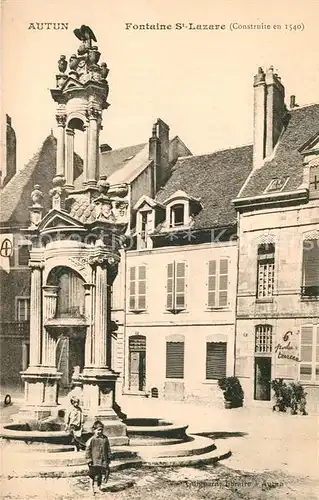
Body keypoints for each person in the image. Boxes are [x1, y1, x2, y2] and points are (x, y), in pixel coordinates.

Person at [85, 420, 111, 494]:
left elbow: (108, 449)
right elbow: (87, 451)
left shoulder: (105, 438)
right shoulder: (92, 439)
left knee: (100, 475)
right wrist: (89, 460)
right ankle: (91, 488)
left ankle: (99, 488)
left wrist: (108, 458)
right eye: (98, 430)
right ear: (94, 430)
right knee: (92, 475)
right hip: (94, 461)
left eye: (101, 430)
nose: (100, 431)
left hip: (103, 460)